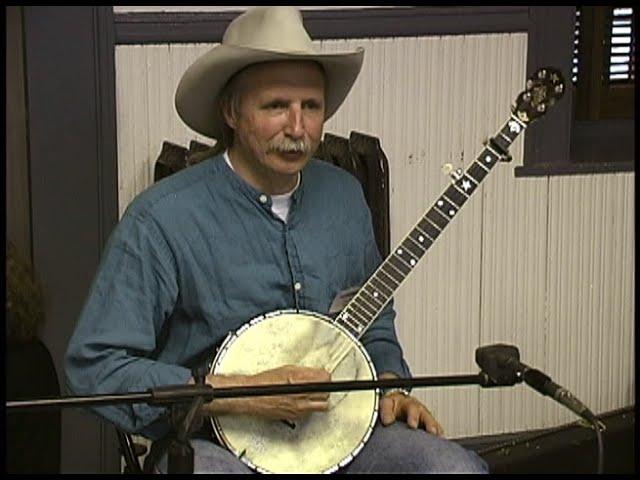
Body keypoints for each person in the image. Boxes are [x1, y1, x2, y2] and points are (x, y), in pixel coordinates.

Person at [65, 6, 488, 474]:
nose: (297, 127)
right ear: (231, 111)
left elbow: (375, 319)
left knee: (450, 468)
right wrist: (231, 393)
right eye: (275, 106)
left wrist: (390, 384)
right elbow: (95, 368)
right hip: (213, 444)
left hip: (341, 432)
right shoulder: (161, 219)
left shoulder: (345, 198)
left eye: (311, 106)